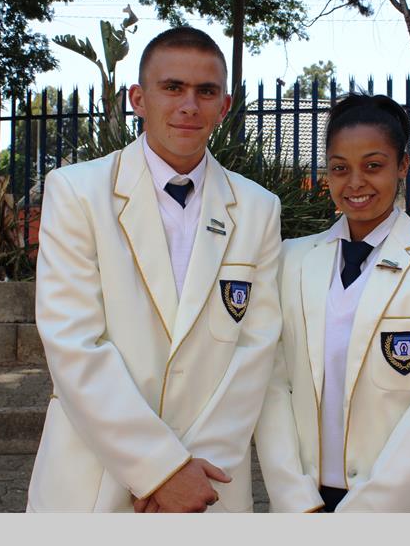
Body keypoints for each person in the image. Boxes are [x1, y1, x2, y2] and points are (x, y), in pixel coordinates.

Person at [26, 26, 282, 513]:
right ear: (138, 99)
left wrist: (189, 474)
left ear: (224, 106)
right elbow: (73, 342)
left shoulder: (257, 208)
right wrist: (159, 468)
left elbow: (256, 349)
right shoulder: (77, 192)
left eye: (206, 91)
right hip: (95, 479)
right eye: (172, 87)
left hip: (209, 482)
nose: (189, 105)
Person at [254, 93, 410, 512]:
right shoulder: (293, 259)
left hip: (408, 505)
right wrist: (293, 497)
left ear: (402, 165)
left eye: (373, 166)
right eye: (340, 168)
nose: (355, 183)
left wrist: (365, 513)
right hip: (307, 502)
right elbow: (272, 384)